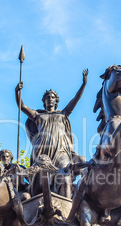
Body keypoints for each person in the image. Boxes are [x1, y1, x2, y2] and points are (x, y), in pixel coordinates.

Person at [15, 69, 88, 198]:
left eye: (52, 97)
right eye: (47, 97)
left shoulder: (63, 114)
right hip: (42, 152)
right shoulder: (38, 116)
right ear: (44, 101)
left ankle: (65, 212)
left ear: (56, 101)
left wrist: (84, 84)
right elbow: (22, 106)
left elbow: (75, 99)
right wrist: (17, 92)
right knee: (39, 185)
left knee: (65, 177)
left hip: (61, 151)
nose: (50, 99)